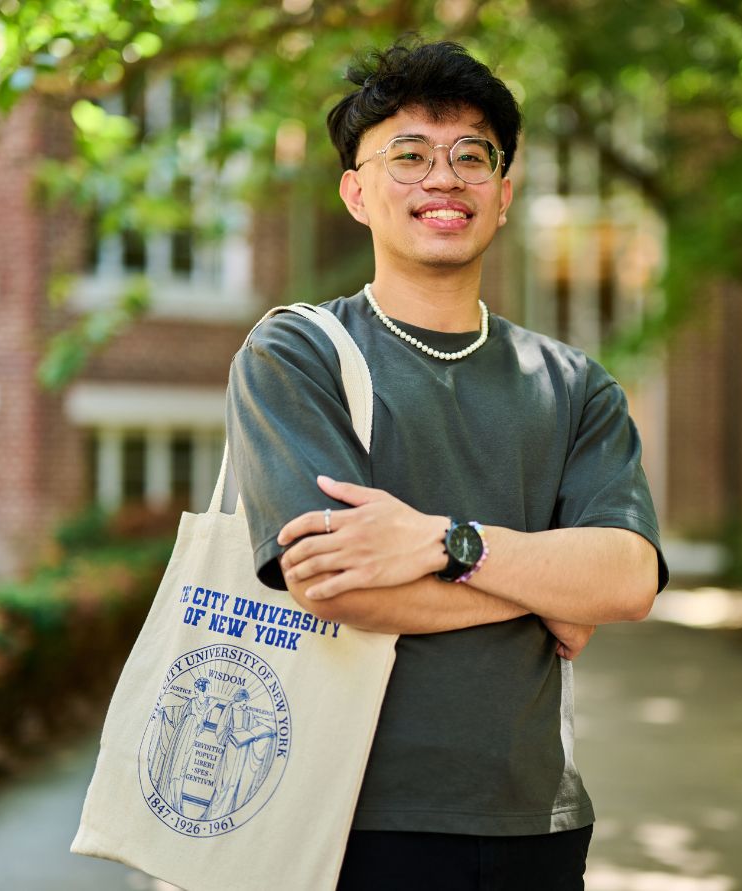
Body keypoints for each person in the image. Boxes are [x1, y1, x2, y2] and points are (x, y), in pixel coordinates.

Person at [227, 37, 667, 891]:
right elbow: (339, 586)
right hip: (348, 819)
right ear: (355, 192)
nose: (443, 178)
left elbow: (627, 578)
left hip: (534, 817)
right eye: (408, 154)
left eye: (472, 155)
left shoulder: (573, 383)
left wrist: (445, 542)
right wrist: (542, 590)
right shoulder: (296, 352)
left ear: (502, 195)